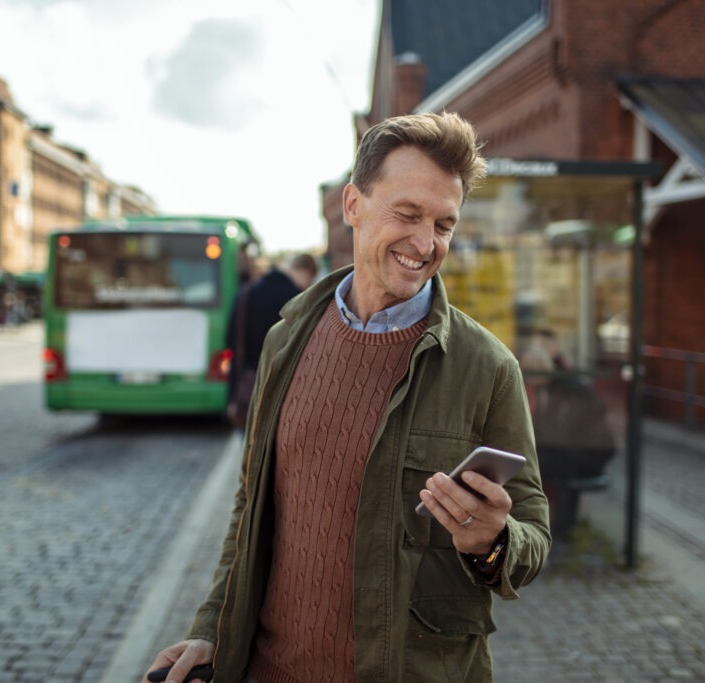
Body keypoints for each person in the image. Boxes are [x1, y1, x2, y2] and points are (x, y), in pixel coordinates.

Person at [144, 112, 551, 683]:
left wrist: (493, 541)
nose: (425, 242)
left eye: (444, 224)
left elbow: (533, 535)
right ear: (353, 205)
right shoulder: (287, 339)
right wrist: (212, 628)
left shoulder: (488, 369)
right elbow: (250, 507)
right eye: (407, 214)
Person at [225, 253, 319, 427]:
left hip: (247, 388)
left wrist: (232, 394)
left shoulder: (245, 293)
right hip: (285, 392)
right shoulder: (298, 300)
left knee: (248, 447)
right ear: (305, 272)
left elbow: (232, 343)